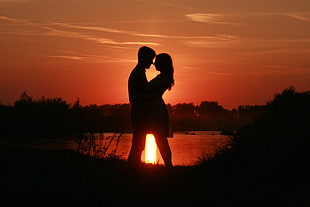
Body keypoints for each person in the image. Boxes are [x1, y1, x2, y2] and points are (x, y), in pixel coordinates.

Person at [127, 46, 156, 168]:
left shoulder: (139, 72)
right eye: (150, 59)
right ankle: (133, 167)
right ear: (143, 58)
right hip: (139, 113)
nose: (152, 62)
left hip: (139, 112)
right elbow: (141, 94)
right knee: (138, 143)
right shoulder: (138, 73)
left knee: (138, 143)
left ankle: (134, 166)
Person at [146, 53, 174, 168]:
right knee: (160, 139)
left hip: (156, 111)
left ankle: (168, 166)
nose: (154, 63)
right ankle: (168, 166)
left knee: (161, 139)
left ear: (162, 63)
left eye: (156, 61)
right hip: (155, 109)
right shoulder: (164, 77)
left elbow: (149, 90)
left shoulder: (164, 78)